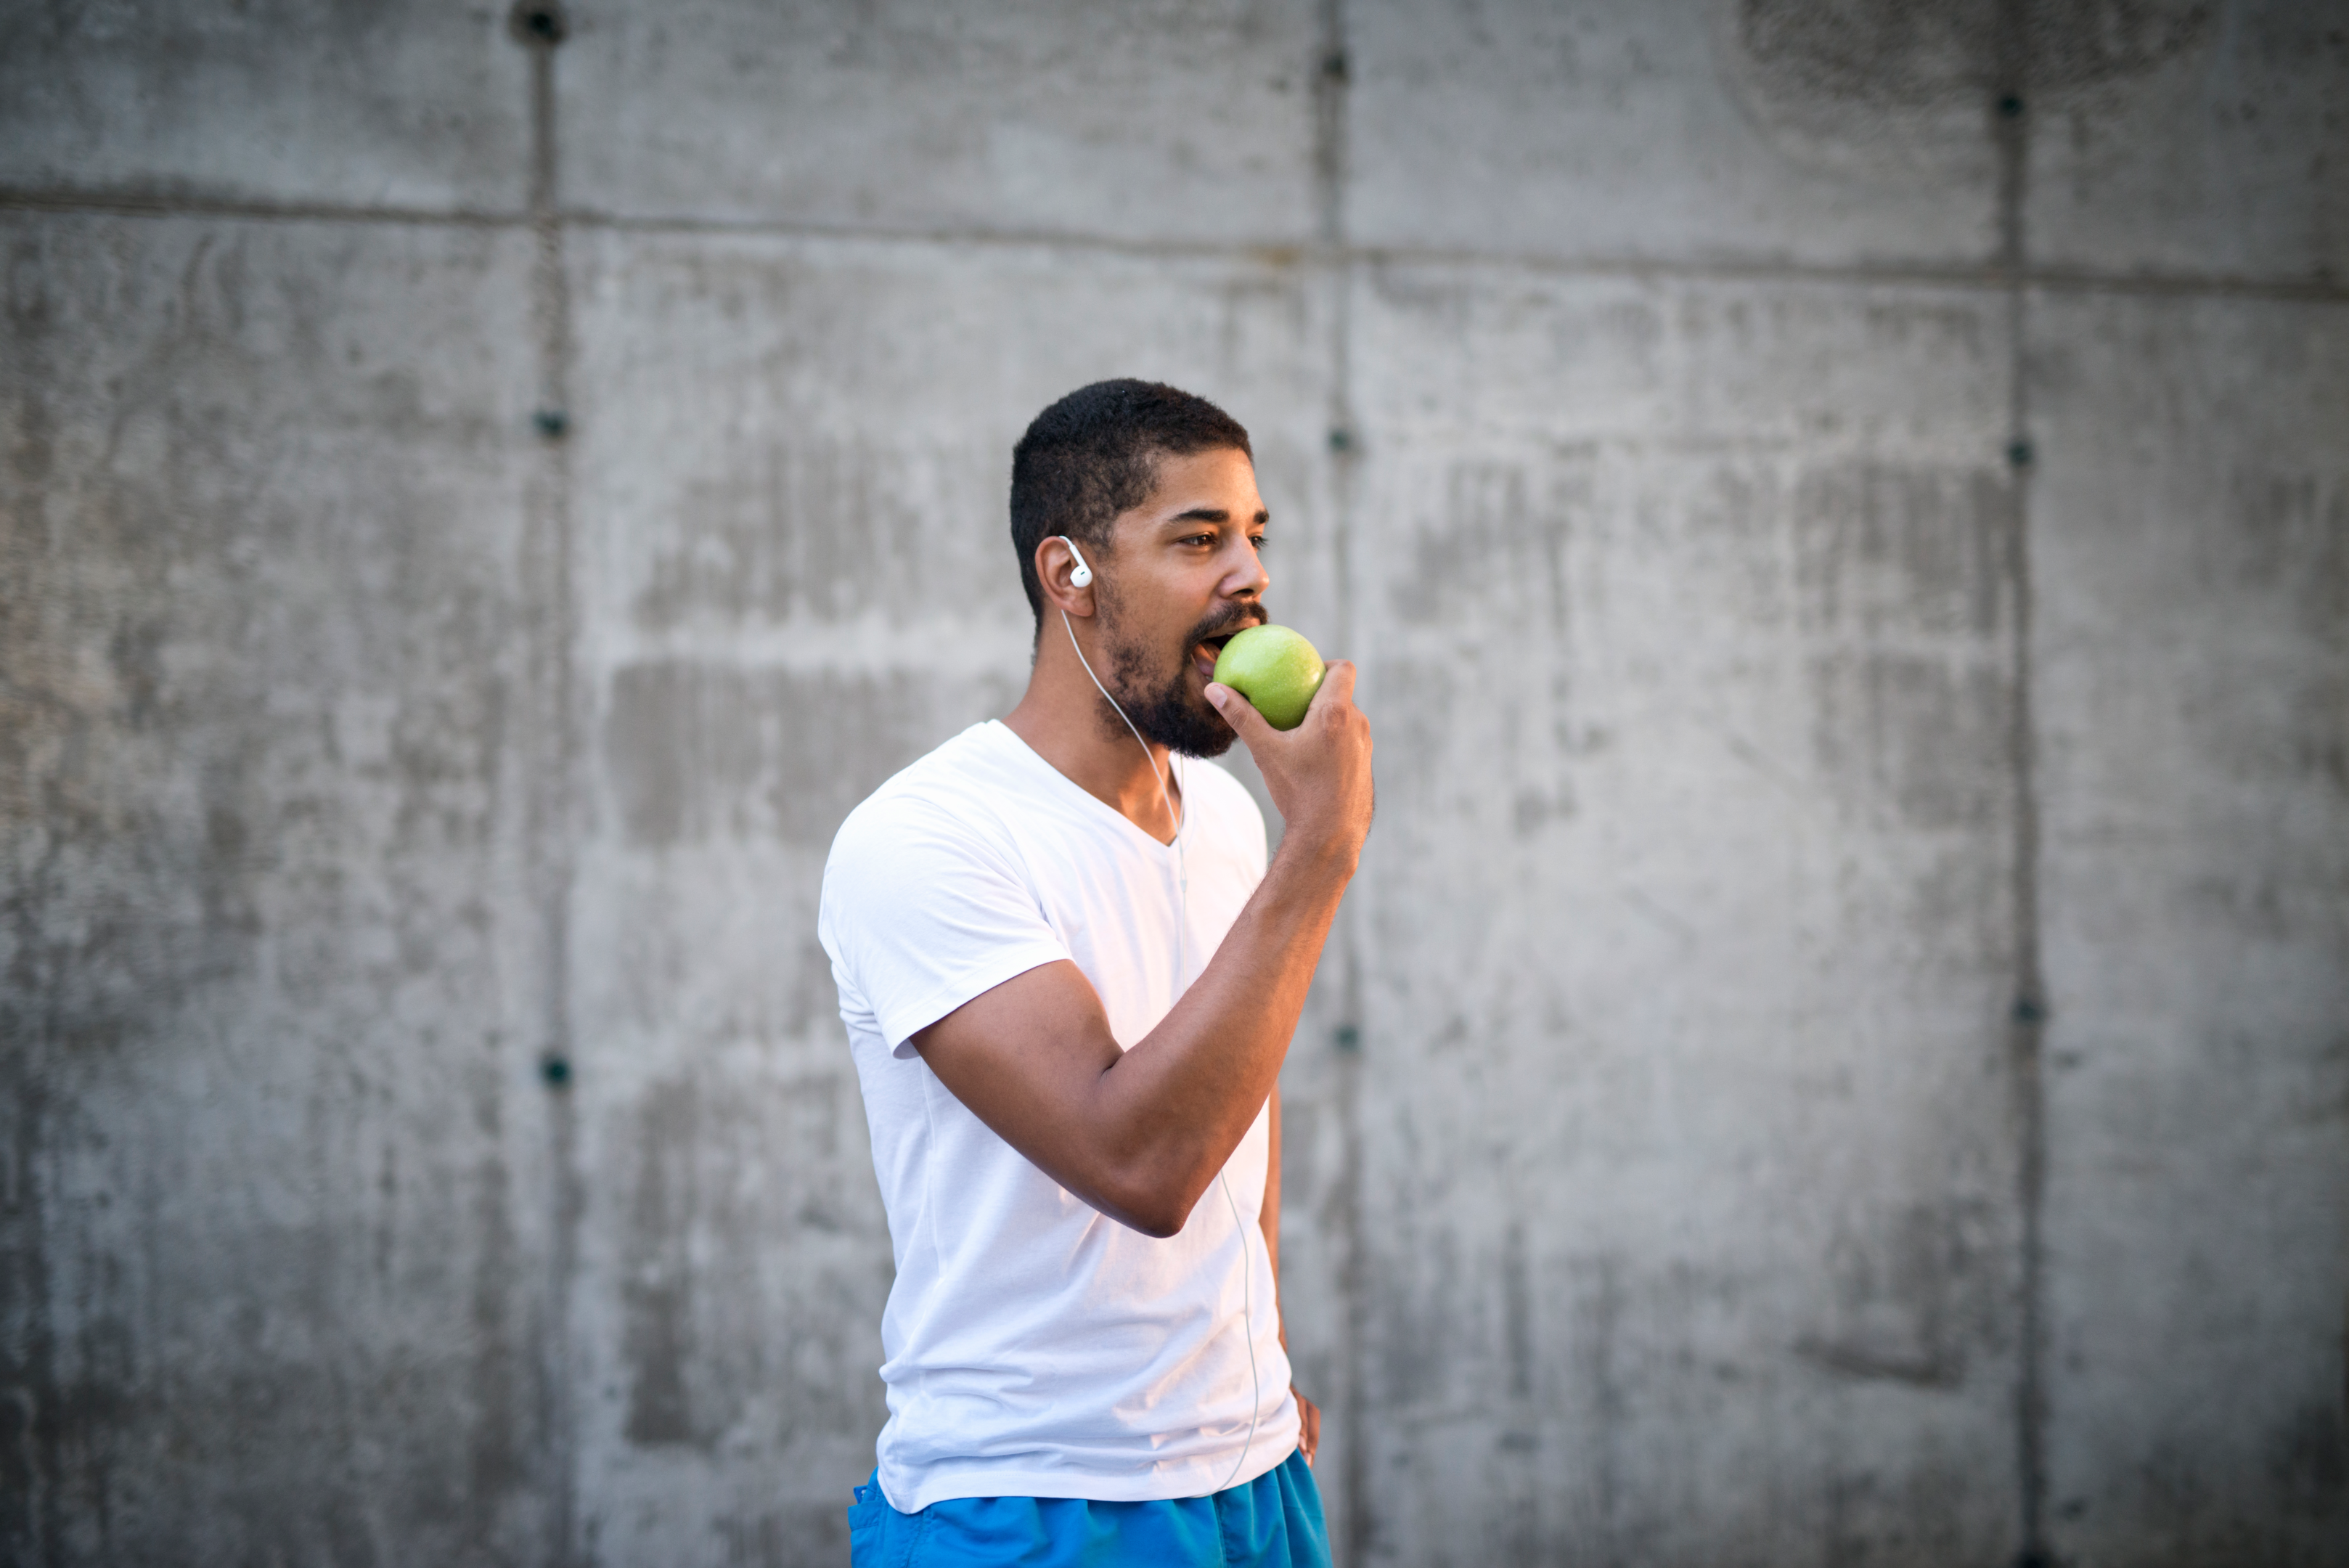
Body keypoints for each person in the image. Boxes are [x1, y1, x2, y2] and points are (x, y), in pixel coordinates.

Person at [820, 378, 1375, 1565]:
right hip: (1036, 1502)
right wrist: (1322, 848)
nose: (1249, 578)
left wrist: (1257, 1352)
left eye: (1254, 536)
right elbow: (1142, 1160)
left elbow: (1239, 1101)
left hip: (1256, 1474)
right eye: (1198, 538)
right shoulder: (928, 838)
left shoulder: (1225, 818)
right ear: (1068, 573)